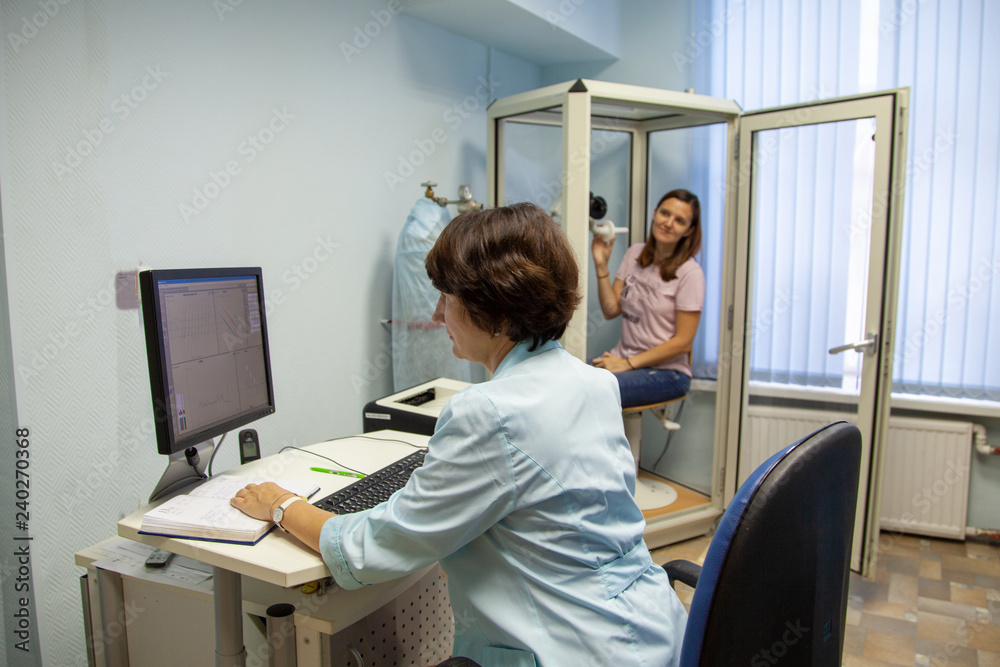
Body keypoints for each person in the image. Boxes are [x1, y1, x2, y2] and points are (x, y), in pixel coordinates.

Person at [231, 203, 687, 667]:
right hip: (657, 631)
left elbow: (376, 547)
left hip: (575, 651)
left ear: (494, 308)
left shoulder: (489, 412)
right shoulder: (595, 383)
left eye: (446, 296)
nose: (436, 312)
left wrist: (282, 505)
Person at [591, 189, 706, 409]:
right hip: (623, 359)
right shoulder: (635, 253)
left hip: (668, 373)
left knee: (594, 392)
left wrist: (628, 363)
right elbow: (610, 309)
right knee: (569, 380)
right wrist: (601, 264)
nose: (668, 223)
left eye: (679, 221)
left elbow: (683, 342)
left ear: (689, 230)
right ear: (654, 213)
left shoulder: (691, 273)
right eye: (665, 213)